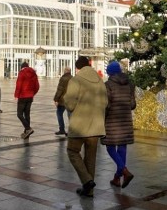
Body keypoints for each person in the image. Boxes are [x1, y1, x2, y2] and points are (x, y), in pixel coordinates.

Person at [63, 56, 107, 197]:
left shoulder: (76, 80)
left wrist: (65, 100)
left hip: (80, 125)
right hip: (96, 126)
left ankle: (87, 181)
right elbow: (105, 102)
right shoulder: (100, 81)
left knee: (72, 151)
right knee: (90, 158)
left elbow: (70, 104)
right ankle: (89, 190)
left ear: (77, 68)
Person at [102, 61, 136, 188]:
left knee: (110, 147)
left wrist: (103, 118)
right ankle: (117, 178)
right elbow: (132, 105)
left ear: (109, 72)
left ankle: (124, 170)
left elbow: (107, 105)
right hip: (125, 120)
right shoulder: (130, 84)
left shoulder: (108, 85)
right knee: (122, 148)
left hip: (112, 120)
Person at [14, 61, 39, 139]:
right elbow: (37, 86)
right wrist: (32, 93)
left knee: (19, 114)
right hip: (30, 96)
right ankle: (26, 133)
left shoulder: (22, 73)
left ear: (22, 67)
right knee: (27, 114)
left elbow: (19, 85)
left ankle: (28, 129)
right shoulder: (34, 73)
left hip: (22, 96)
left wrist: (16, 95)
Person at [53, 66, 72, 136]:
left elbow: (60, 90)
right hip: (70, 100)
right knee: (70, 116)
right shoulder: (73, 78)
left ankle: (62, 129)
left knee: (59, 113)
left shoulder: (63, 78)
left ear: (65, 71)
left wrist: (55, 99)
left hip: (63, 100)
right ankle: (71, 131)